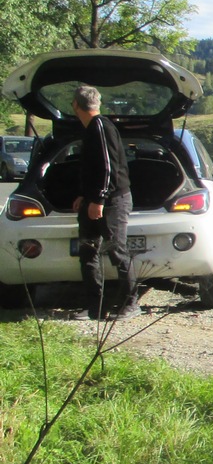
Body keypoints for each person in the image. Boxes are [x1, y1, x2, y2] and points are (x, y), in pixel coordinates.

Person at [71, 84, 139, 320]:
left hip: (112, 201)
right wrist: (84, 194)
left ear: (75, 105)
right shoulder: (91, 129)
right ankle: (95, 308)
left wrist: (98, 199)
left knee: (117, 252)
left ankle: (131, 304)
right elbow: (92, 168)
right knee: (88, 252)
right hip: (95, 199)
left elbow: (108, 167)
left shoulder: (100, 126)